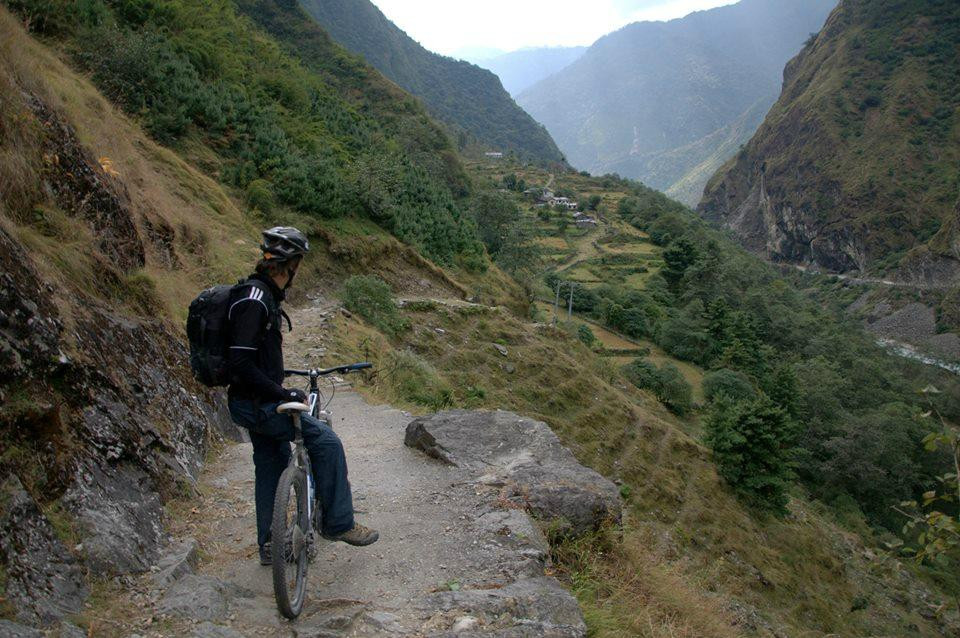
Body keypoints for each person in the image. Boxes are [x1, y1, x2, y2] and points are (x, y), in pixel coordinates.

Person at [226, 226, 378, 565]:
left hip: (253, 401)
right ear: (290, 265)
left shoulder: (258, 295)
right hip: (258, 404)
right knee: (327, 443)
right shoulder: (255, 300)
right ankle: (339, 524)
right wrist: (281, 392)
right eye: (298, 264)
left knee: (270, 462)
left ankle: (270, 545)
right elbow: (240, 362)